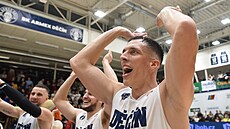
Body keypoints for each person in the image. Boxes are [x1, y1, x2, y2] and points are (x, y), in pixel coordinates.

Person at [70, 5, 198, 129]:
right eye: (123, 52)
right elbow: (78, 62)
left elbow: (185, 28)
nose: (122, 57)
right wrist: (117, 31)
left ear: (153, 64)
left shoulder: (168, 96)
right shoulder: (118, 94)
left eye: (133, 52)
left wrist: (166, 12)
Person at [53, 50, 118, 129]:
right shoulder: (80, 115)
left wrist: (106, 62)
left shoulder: (103, 116)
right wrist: (73, 76)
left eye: (90, 94)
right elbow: (58, 100)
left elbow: (113, 91)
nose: (85, 96)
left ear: (101, 99)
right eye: (85, 93)